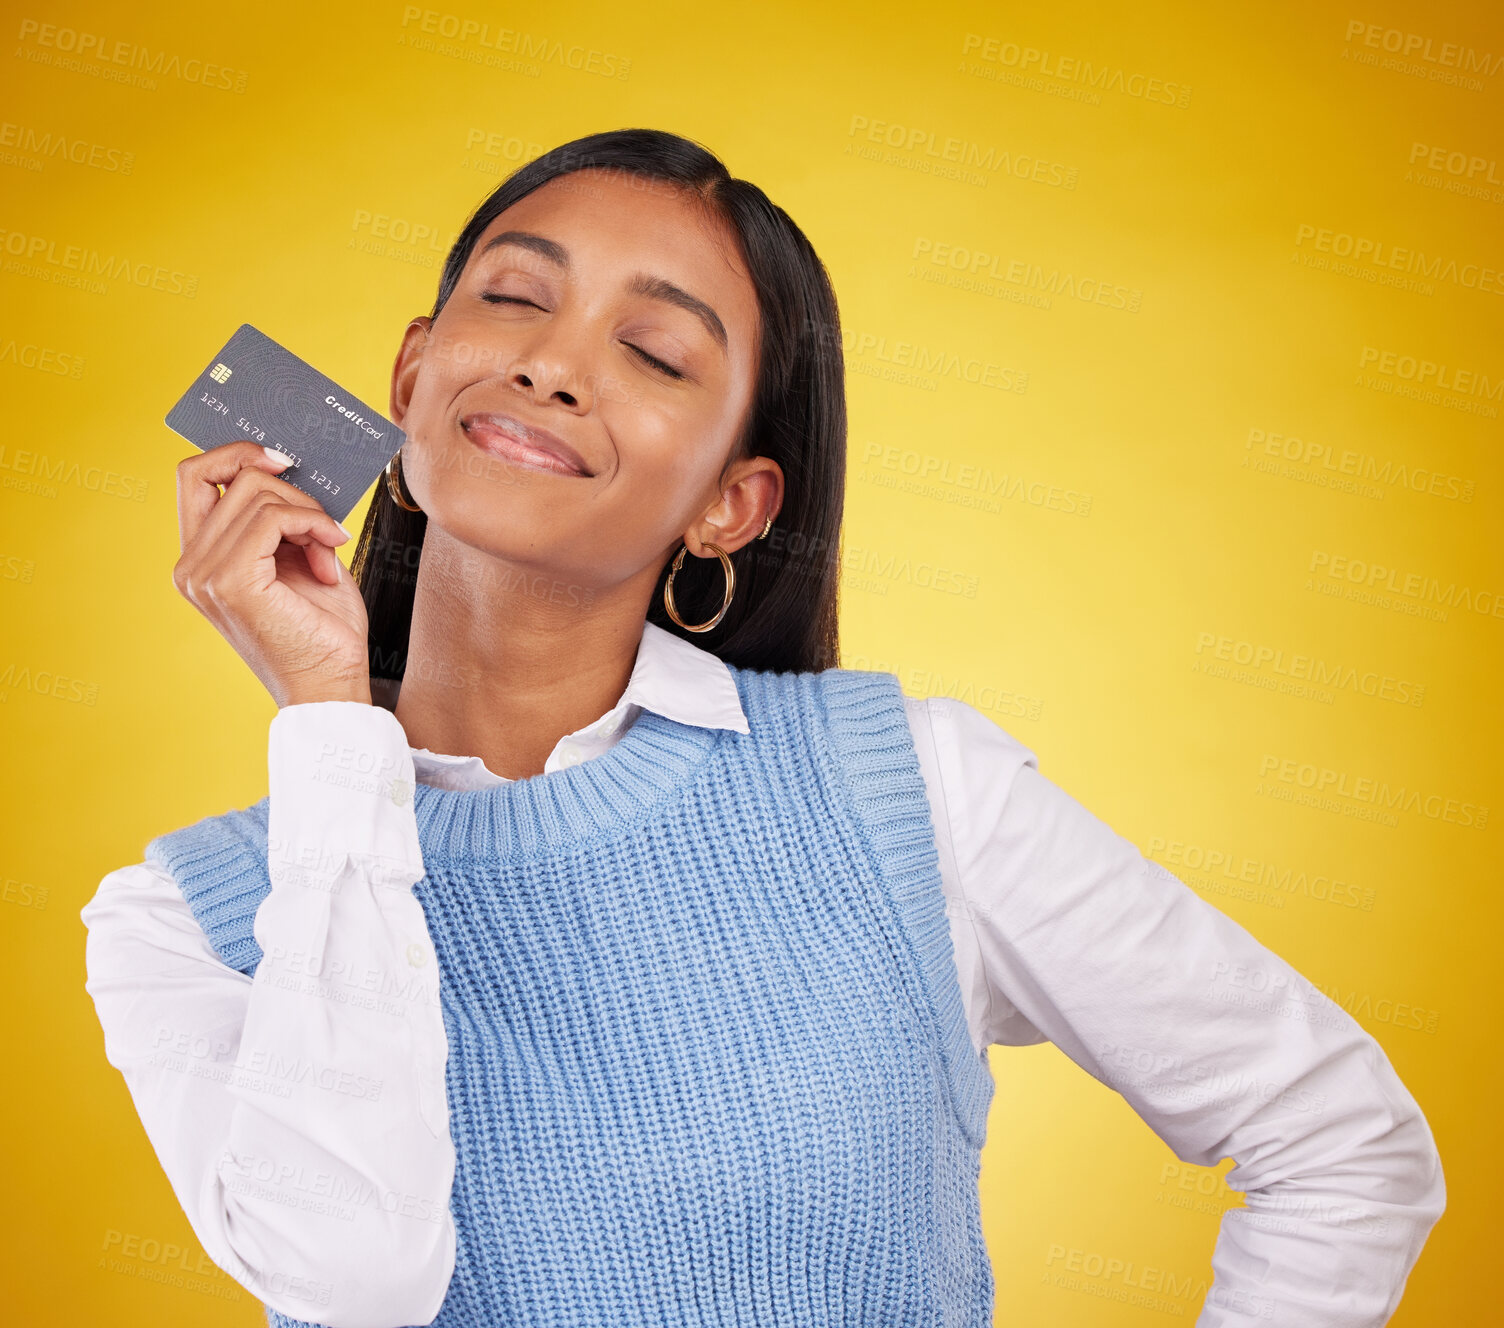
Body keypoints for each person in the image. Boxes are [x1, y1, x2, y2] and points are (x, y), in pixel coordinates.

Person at [80, 128, 1444, 1328]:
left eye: (654, 350)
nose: (555, 366)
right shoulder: (184, 918)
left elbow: (1341, 1138)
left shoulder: (908, 791)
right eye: (513, 298)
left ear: (728, 506)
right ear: (414, 378)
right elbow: (355, 1282)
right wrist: (330, 730)